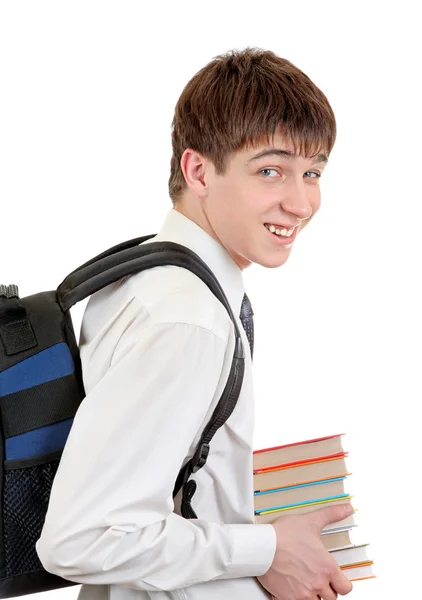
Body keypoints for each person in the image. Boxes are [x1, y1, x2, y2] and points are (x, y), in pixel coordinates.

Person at [36, 47, 354, 600]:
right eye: (271, 171)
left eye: (313, 172)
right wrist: (268, 549)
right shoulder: (190, 318)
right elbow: (79, 539)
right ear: (198, 170)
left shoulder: (152, 272)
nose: (301, 203)